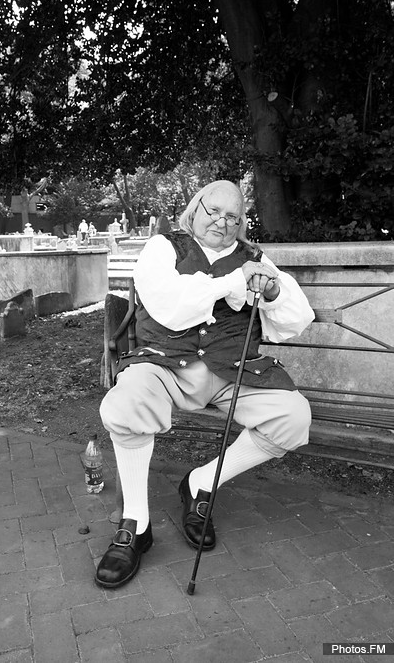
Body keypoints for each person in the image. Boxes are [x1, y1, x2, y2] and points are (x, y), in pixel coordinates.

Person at [95, 180, 314, 589]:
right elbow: (169, 306)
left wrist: (271, 291)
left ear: (242, 223)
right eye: (213, 211)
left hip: (232, 372)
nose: (222, 221)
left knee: (293, 417)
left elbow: (295, 321)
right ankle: (136, 525)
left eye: (233, 216)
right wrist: (232, 284)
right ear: (194, 210)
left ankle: (200, 483)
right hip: (164, 367)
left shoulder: (254, 257)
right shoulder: (164, 247)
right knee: (125, 404)